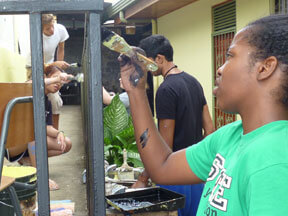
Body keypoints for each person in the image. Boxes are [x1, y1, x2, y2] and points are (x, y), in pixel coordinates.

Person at [118, 14, 288, 215]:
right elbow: (162, 166)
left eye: (230, 56)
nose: (220, 69)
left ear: (265, 67)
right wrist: (136, 92)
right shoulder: (229, 136)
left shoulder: (276, 160)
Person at [130, 35, 214, 216]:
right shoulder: (194, 82)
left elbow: (164, 145)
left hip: (175, 176)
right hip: (197, 175)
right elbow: (210, 130)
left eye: (146, 62)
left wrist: (144, 178)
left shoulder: (166, 90)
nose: (144, 67)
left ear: (159, 59)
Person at [5, 65, 72, 190]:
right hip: (10, 144)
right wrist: (57, 78)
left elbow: (47, 127)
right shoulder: (30, 90)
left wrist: (59, 133)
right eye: (55, 78)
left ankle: (27, 160)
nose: (58, 83)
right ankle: (39, 177)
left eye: (61, 82)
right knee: (34, 132)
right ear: (44, 77)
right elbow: (32, 83)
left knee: (66, 143)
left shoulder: (47, 102)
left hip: (27, 143)